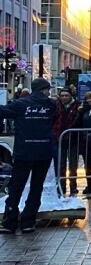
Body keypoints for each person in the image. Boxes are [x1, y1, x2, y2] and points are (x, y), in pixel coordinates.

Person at [0, 78, 57, 234]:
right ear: (44, 89)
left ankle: (10, 222)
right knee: (36, 187)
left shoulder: (21, 104)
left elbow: (3, 111)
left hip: (24, 151)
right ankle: (28, 222)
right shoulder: (51, 105)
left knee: (16, 187)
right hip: (43, 151)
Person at [53, 88, 81, 196]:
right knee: (61, 165)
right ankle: (61, 187)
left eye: (66, 95)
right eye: (62, 95)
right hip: (59, 139)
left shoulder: (77, 106)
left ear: (71, 96)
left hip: (73, 139)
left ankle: (73, 187)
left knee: (73, 165)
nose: (64, 97)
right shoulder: (57, 106)